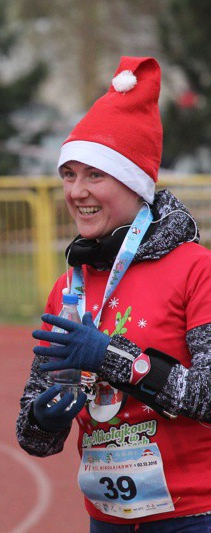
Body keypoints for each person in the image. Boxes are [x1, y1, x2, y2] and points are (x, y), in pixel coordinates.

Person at [16, 56, 211, 531]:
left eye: (95, 175)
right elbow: (34, 440)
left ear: (135, 183)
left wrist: (111, 358)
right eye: (69, 174)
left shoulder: (196, 269)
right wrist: (44, 418)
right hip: (107, 519)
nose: (76, 191)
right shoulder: (69, 287)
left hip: (194, 515)